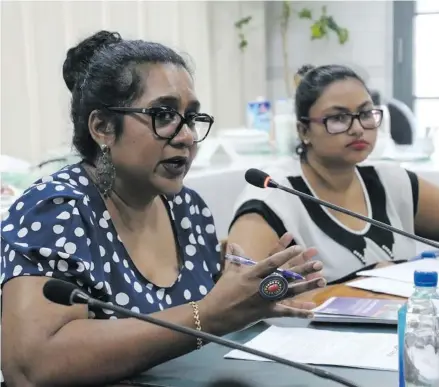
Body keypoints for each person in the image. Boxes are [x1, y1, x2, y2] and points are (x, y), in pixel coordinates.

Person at [0, 32, 326, 387]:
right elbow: (30, 367)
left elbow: (199, 334)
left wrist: (247, 296)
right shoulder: (56, 210)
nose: (186, 135)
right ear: (103, 127)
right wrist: (210, 316)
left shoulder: (187, 209)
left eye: (191, 118)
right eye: (164, 114)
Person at [229, 64, 439, 284]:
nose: (358, 128)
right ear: (304, 131)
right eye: (339, 118)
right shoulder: (272, 197)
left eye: (366, 113)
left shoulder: (393, 181)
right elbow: (235, 296)